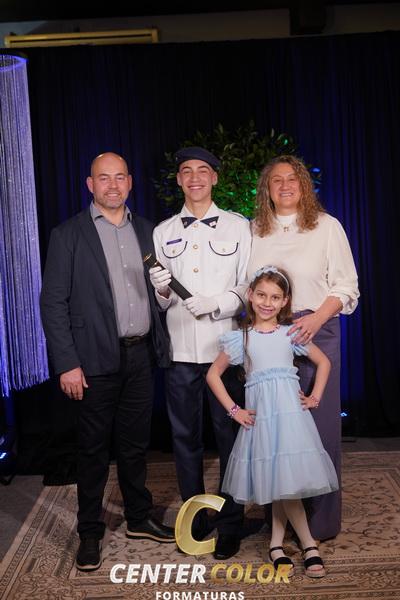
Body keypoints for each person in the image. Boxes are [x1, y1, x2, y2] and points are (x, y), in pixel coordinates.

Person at [40, 152, 175, 573]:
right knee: (93, 450)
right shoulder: (68, 235)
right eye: (104, 178)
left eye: (119, 178)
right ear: (90, 184)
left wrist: (165, 295)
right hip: (92, 359)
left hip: (140, 355)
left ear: (130, 183)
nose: (112, 185)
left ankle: (138, 518)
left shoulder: (148, 231)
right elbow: (53, 303)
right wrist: (67, 363)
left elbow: (162, 294)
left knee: (135, 446)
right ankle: (90, 532)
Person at [247, 155, 359, 541]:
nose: (285, 185)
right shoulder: (254, 231)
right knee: (275, 430)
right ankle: (279, 523)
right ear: (267, 189)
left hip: (316, 330)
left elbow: (346, 286)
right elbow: (245, 286)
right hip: (270, 334)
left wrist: (316, 319)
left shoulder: (327, 227)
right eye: (276, 180)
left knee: (320, 427)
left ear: (304, 186)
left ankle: (320, 524)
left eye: (292, 179)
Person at [149, 146, 251, 559]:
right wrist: (160, 291)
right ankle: (194, 519)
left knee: (230, 438)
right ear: (179, 180)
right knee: (184, 438)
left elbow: (247, 285)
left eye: (203, 171)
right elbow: (161, 302)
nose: (195, 178)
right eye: (187, 171)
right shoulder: (162, 231)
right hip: (180, 352)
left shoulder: (239, 227)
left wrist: (217, 303)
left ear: (214, 178)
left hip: (225, 350)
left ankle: (230, 524)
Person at [206, 266, 338, 577]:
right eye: (262, 295)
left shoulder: (290, 333)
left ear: (285, 301)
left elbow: (323, 362)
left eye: (275, 297)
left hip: (291, 420)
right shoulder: (241, 338)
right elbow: (212, 375)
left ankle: (279, 544)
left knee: (284, 483)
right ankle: (308, 544)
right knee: (282, 483)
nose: (267, 302)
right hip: (263, 422)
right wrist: (234, 410)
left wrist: (315, 397)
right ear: (251, 296)